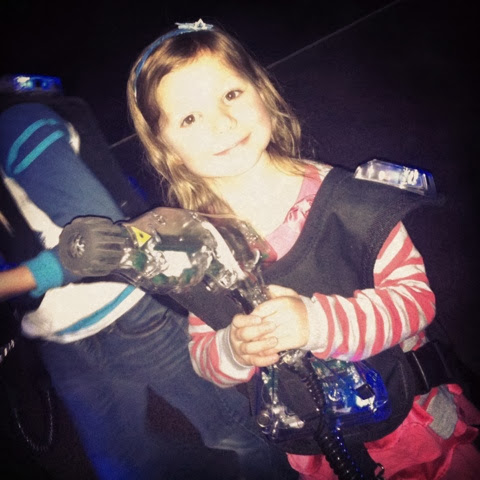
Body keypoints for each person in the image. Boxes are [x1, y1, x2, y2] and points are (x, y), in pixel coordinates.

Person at [126, 19, 480, 480]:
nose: (222, 123)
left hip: (415, 430)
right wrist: (234, 349)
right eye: (189, 118)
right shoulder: (197, 246)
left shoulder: (349, 202)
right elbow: (202, 353)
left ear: (261, 89)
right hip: (321, 454)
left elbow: (416, 301)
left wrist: (315, 322)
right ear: (164, 145)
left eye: (231, 94)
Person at [0, 101, 298, 480]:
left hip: (131, 316)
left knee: (237, 433)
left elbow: (104, 241)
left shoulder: (14, 124)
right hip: (58, 340)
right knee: (124, 465)